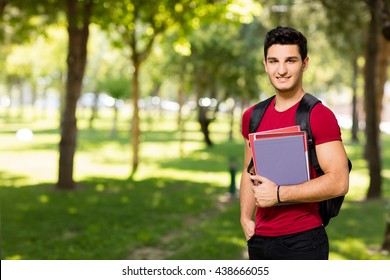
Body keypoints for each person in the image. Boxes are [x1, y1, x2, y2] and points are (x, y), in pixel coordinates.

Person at [239, 26, 350, 260]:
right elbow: (248, 171)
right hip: (259, 240)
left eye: (290, 60)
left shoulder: (319, 115)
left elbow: (339, 182)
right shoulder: (252, 116)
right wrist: (245, 218)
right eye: (273, 61)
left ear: (305, 63)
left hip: (303, 241)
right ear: (265, 64)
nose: (281, 70)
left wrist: (279, 194)